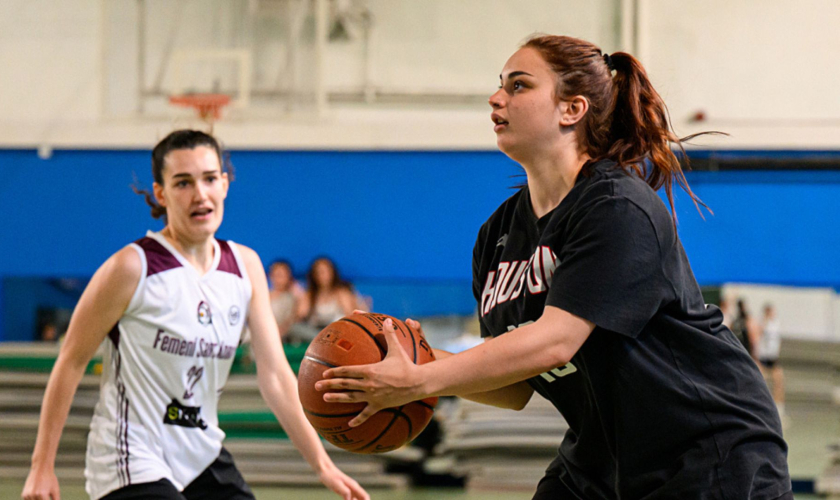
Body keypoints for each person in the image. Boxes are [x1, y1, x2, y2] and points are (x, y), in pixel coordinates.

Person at [316, 35, 791, 499]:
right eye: (500, 84)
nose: (496, 97)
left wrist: (420, 380)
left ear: (572, 109)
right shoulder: (497, 235)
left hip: (707, 448)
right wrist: (405, 359)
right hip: (602, 459)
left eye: (518, 85)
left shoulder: (617, 206)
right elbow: (512, 387)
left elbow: (555, 341)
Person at [22, 130, 368, 500]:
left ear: (224, 183)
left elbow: (276, 375)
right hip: (131, 457)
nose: (200, 194)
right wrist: (41, 466)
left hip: (201, 453)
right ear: (161, 193)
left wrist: (322, 464)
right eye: (183, 182)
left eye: (208, 179)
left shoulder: (244, 266)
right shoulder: (131, 268)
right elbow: (70, 361)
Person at [758, 303, 785, 419]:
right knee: (760, 383)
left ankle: (779, 410)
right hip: (763, 358)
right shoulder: (762, 324)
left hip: (773, 359)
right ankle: (760, 408)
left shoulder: (776, 324)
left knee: (779, 382)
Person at [268, 259, 305, 340]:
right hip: (266, 332)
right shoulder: (263, 297)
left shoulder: (292, 297)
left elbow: (301, 314)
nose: (278, 279)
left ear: (289, 277)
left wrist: (299, 295)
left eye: (282, 275)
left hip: (287, 333)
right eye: (276, 275)